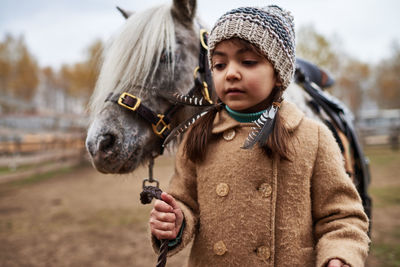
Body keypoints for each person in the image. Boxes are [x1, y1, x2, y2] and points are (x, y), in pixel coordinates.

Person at [149, 5, 370, 267]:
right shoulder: (198, 137)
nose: (230, 73)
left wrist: (339, 256)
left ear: (278, 73)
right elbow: (185, 203)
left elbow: (342, 217)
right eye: (219, 64)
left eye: (248, 61)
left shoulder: (314, 137)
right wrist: (175, 221)